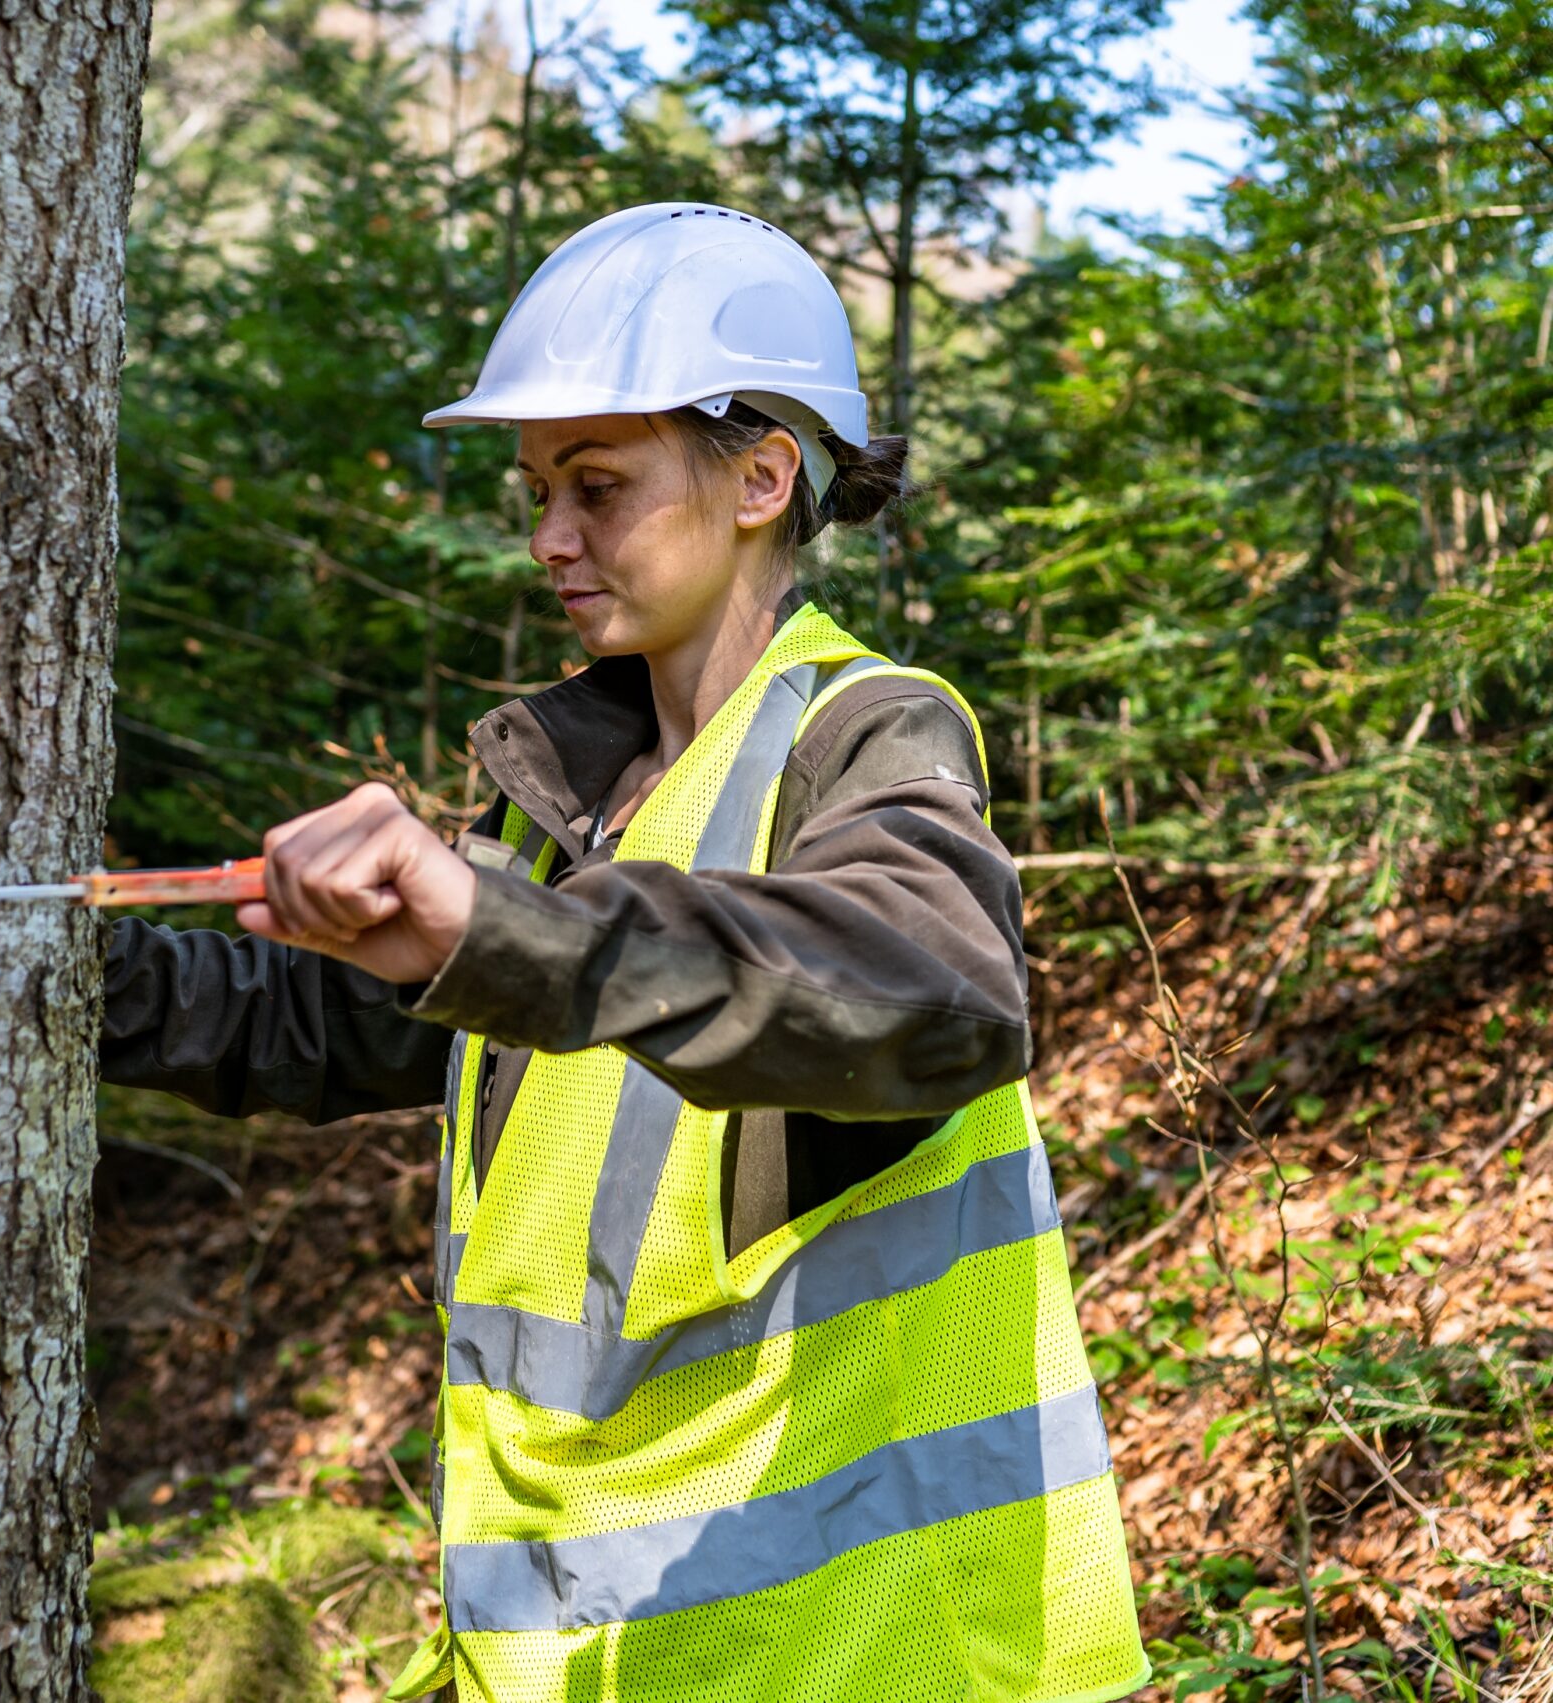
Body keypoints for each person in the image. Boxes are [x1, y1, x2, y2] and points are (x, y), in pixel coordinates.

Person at [101, 203, 1150, 1703]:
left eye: (597, 485)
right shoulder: (572, 805)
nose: (547, 536)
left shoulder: (863, 735)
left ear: (760, 479)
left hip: (858, 1658)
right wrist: (72, 984)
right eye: (538, 488)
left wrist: (502, 926)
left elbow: (936, 995)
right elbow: (342, 1022)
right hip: (586, 1652)